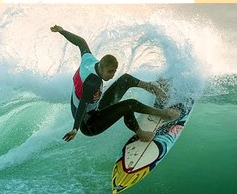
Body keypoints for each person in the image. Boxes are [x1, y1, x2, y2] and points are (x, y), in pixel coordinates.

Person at [51, 25, 180, 143]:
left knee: (125, 79)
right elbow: (82, 105)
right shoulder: (92, 82)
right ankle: (162, 116)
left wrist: (62, 31)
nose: (112, 75)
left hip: (96, 109)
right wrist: (75, 128)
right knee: (129, 104)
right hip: (90, 124)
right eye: (110, 72)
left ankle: (153, 88)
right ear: (101, 67)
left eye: (114, 71)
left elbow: (81, 42)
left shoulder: (89, 60)